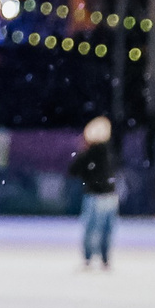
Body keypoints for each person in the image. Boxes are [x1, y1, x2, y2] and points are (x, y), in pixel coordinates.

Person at [69, 115, 120, 269]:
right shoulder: (109, 152)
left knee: (92, 230)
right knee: (106, 231)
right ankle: (105, 259)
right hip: (110, 196)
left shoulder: (89, 154)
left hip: (95, 196)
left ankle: (88, 259)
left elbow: (73, 171)